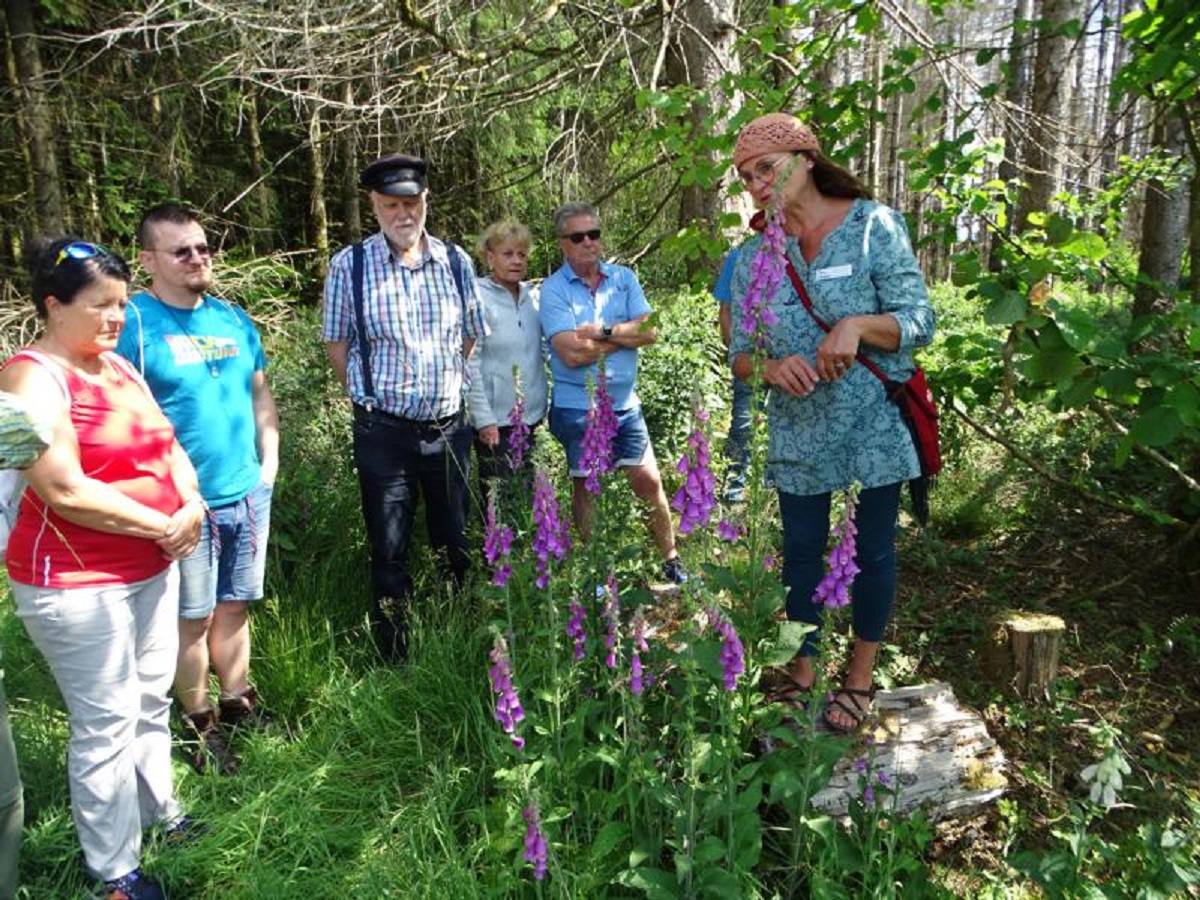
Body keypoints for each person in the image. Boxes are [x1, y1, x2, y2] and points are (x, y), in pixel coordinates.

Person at [1, 238, 206, 900]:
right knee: (106, 721)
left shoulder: (116, 367)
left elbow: (165, 445)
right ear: (54, 306)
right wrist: (164, 525)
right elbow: (62, 488)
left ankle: (161, 813)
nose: (116, 318)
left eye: (121, 304)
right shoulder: (29, 378)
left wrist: (192, 503)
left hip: (150, 566)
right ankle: (114, 870)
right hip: (76, 583)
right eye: (101, 306)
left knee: (149, 700)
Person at [727, 113, 935, 732]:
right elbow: (740, 350)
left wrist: (856, 326)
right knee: (799, 552)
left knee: (872, 550)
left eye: (767, 167)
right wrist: (767, 369)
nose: (757, 183)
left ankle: (860, 678)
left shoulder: (874, 228)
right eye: (746, 176)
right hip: (797, 428)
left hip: (873, 422)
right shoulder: (753, 257)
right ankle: (803, 669)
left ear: (807, 159)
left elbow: (919, 319)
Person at [116, 203, 280, 775]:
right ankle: (200, 723)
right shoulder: (132, 326)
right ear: (148, 260)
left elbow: (260, 394)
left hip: (246, 493)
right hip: (183, 506)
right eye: (181, 250)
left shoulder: (233, 319)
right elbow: (116, 419)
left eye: (204, 247)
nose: (197, 258)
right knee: (193, 618)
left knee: (235, 606)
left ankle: (239, 702)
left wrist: (270, 465)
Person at [322, 153, 487, 662]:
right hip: (384, 434)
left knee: (454, 538)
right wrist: (376, 398)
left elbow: (470, 337)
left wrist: (439, 390)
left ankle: (460, 634)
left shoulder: (456, 261)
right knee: (389, 546)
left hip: (448, 429)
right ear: (374, 204)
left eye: (411, 202)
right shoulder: (349, 266)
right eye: (391, 203)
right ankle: (395, 651)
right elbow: (337, 345)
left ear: (425, 201)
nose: (403, 213)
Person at [539, 202, 686, 584]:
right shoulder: (553, 290)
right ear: (562, 244)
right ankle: (597, 573)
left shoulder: (623, 278)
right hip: (578, 408)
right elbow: (571, 354)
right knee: (589, 488)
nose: (589, 242)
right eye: (578, 236)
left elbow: (651, 331)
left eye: (595, 234)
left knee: (648, 483)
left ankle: (671, 559)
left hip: (624, 405)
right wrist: (626, 335)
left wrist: (602, 332)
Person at [466, 219, 548, 497]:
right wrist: (483, 419)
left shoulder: (534, 298)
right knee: (500, 499)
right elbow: (469, 363)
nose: (516, 261)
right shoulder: (476, 297)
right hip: (496, 422)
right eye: (507, 254)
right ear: (490, 257)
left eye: (522, 254)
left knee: (531, 496)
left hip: (532, 417)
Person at [712, 246, 757, 503]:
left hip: (789, 358)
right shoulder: (739, 256)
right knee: (743, 425)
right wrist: (734, 351)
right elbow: (725, 309)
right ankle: (733, 490)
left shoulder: (798, 248)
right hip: (748, 360)